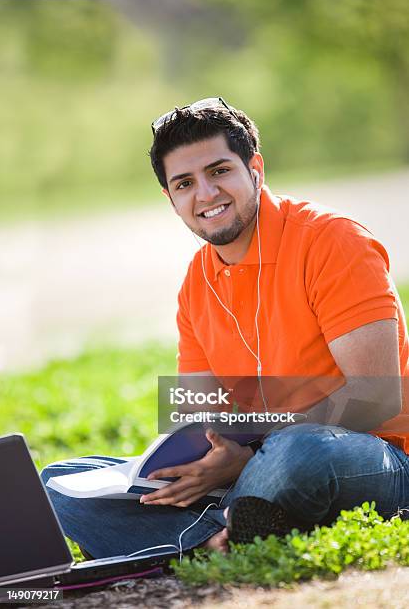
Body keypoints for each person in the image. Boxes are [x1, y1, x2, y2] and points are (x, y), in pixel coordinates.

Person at [41, 97, 409, 557]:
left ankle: (205, 534)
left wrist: (247, 459)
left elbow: (375, 399)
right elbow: (198, 416)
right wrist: (194, 464)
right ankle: (229, 531)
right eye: (185, 183)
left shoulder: (333, 240)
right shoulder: (195, 283)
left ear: (254, 167)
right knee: (58, 482)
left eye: (219, 171)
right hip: (251, 465)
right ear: (171, 200)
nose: (206, 194)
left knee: (300, 454)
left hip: (368, 458)